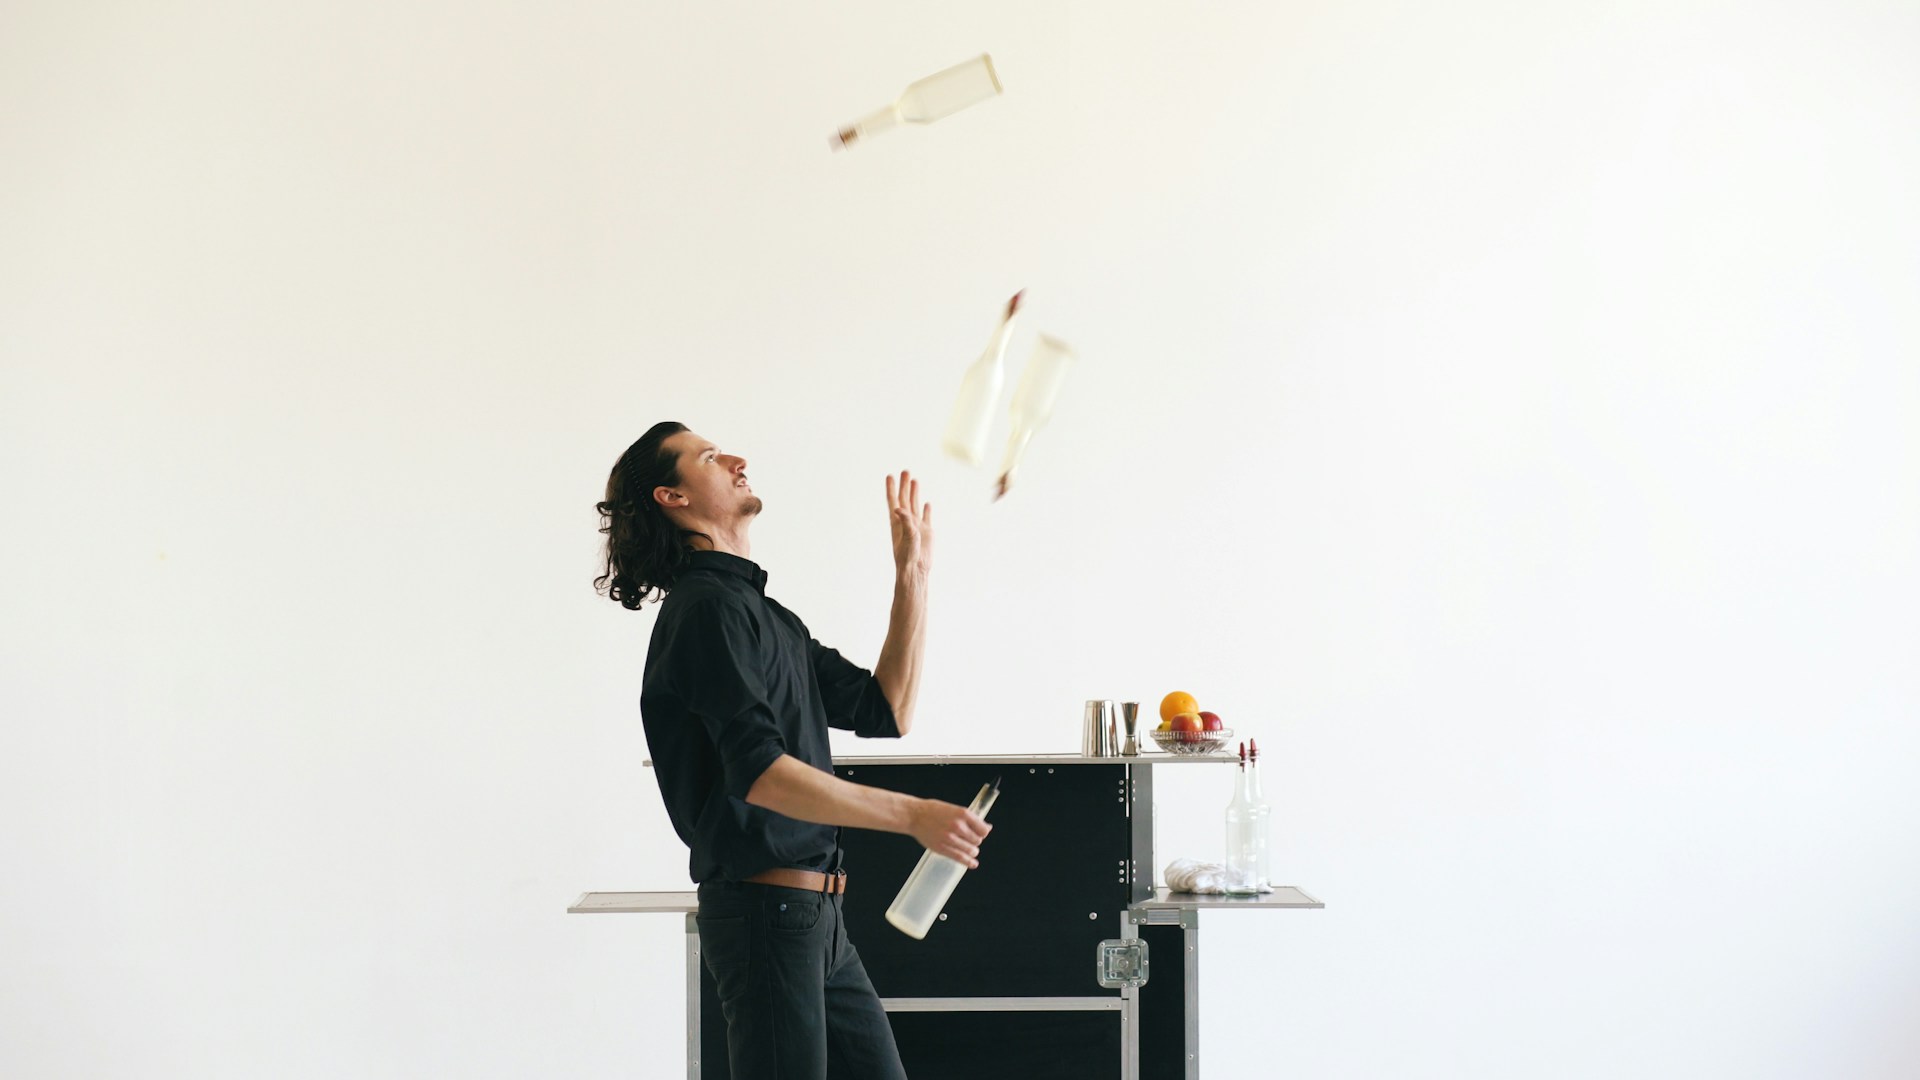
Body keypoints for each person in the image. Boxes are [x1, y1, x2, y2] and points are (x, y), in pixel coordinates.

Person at [595, 421, 990, 1080]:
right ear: (673, 496)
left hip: (815, 920)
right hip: (765, 916)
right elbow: (760, 774)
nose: (738, 460)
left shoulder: (761, 613)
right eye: (711, 457)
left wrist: (912, 574)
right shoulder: (707, 612)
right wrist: (913, 815)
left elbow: (886, 709)